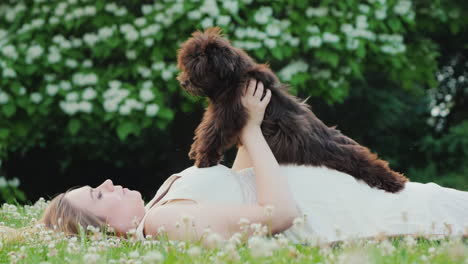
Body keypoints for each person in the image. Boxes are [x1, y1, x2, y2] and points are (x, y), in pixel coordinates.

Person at [3, 80, 468, 244]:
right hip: (340, 213)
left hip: (339, 191)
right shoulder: (161, 224)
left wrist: (244, 117)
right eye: (98, 195)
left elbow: (245, 178)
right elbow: (277, 216)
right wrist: (248, 130)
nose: (106, 182)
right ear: (110, 230)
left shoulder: (163, 201)